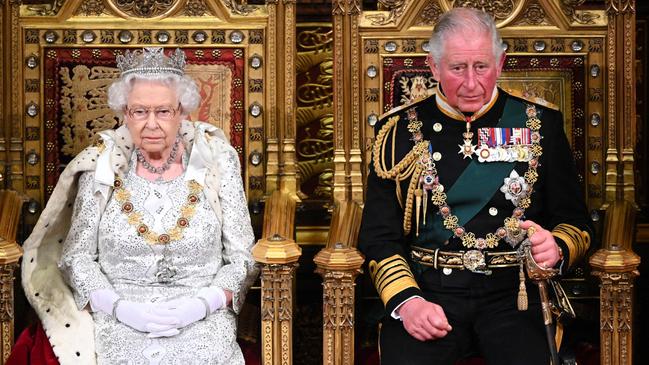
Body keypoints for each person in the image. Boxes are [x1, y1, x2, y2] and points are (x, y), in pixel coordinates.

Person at [358, 8, 592, 365]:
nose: (471, 83)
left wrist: (556, 247)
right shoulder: (399, 132)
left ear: (500, 63)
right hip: (431, 291)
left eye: (481, 67)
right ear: (433, 67)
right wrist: (408, 302)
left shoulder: (540, 124)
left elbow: (577, 223)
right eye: (457, 68)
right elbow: (379, 235)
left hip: (515, 296)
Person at [21, 47, 258, 364]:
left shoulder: (216, 160)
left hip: (203, 315)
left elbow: (243, 256)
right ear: (124, 113)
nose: (151, 124)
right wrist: (119, 308)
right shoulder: (101, 164)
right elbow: (76, 256)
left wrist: (202, 304)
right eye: (139, 112)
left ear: (183, 112)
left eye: (163, 111)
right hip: (119, 314)